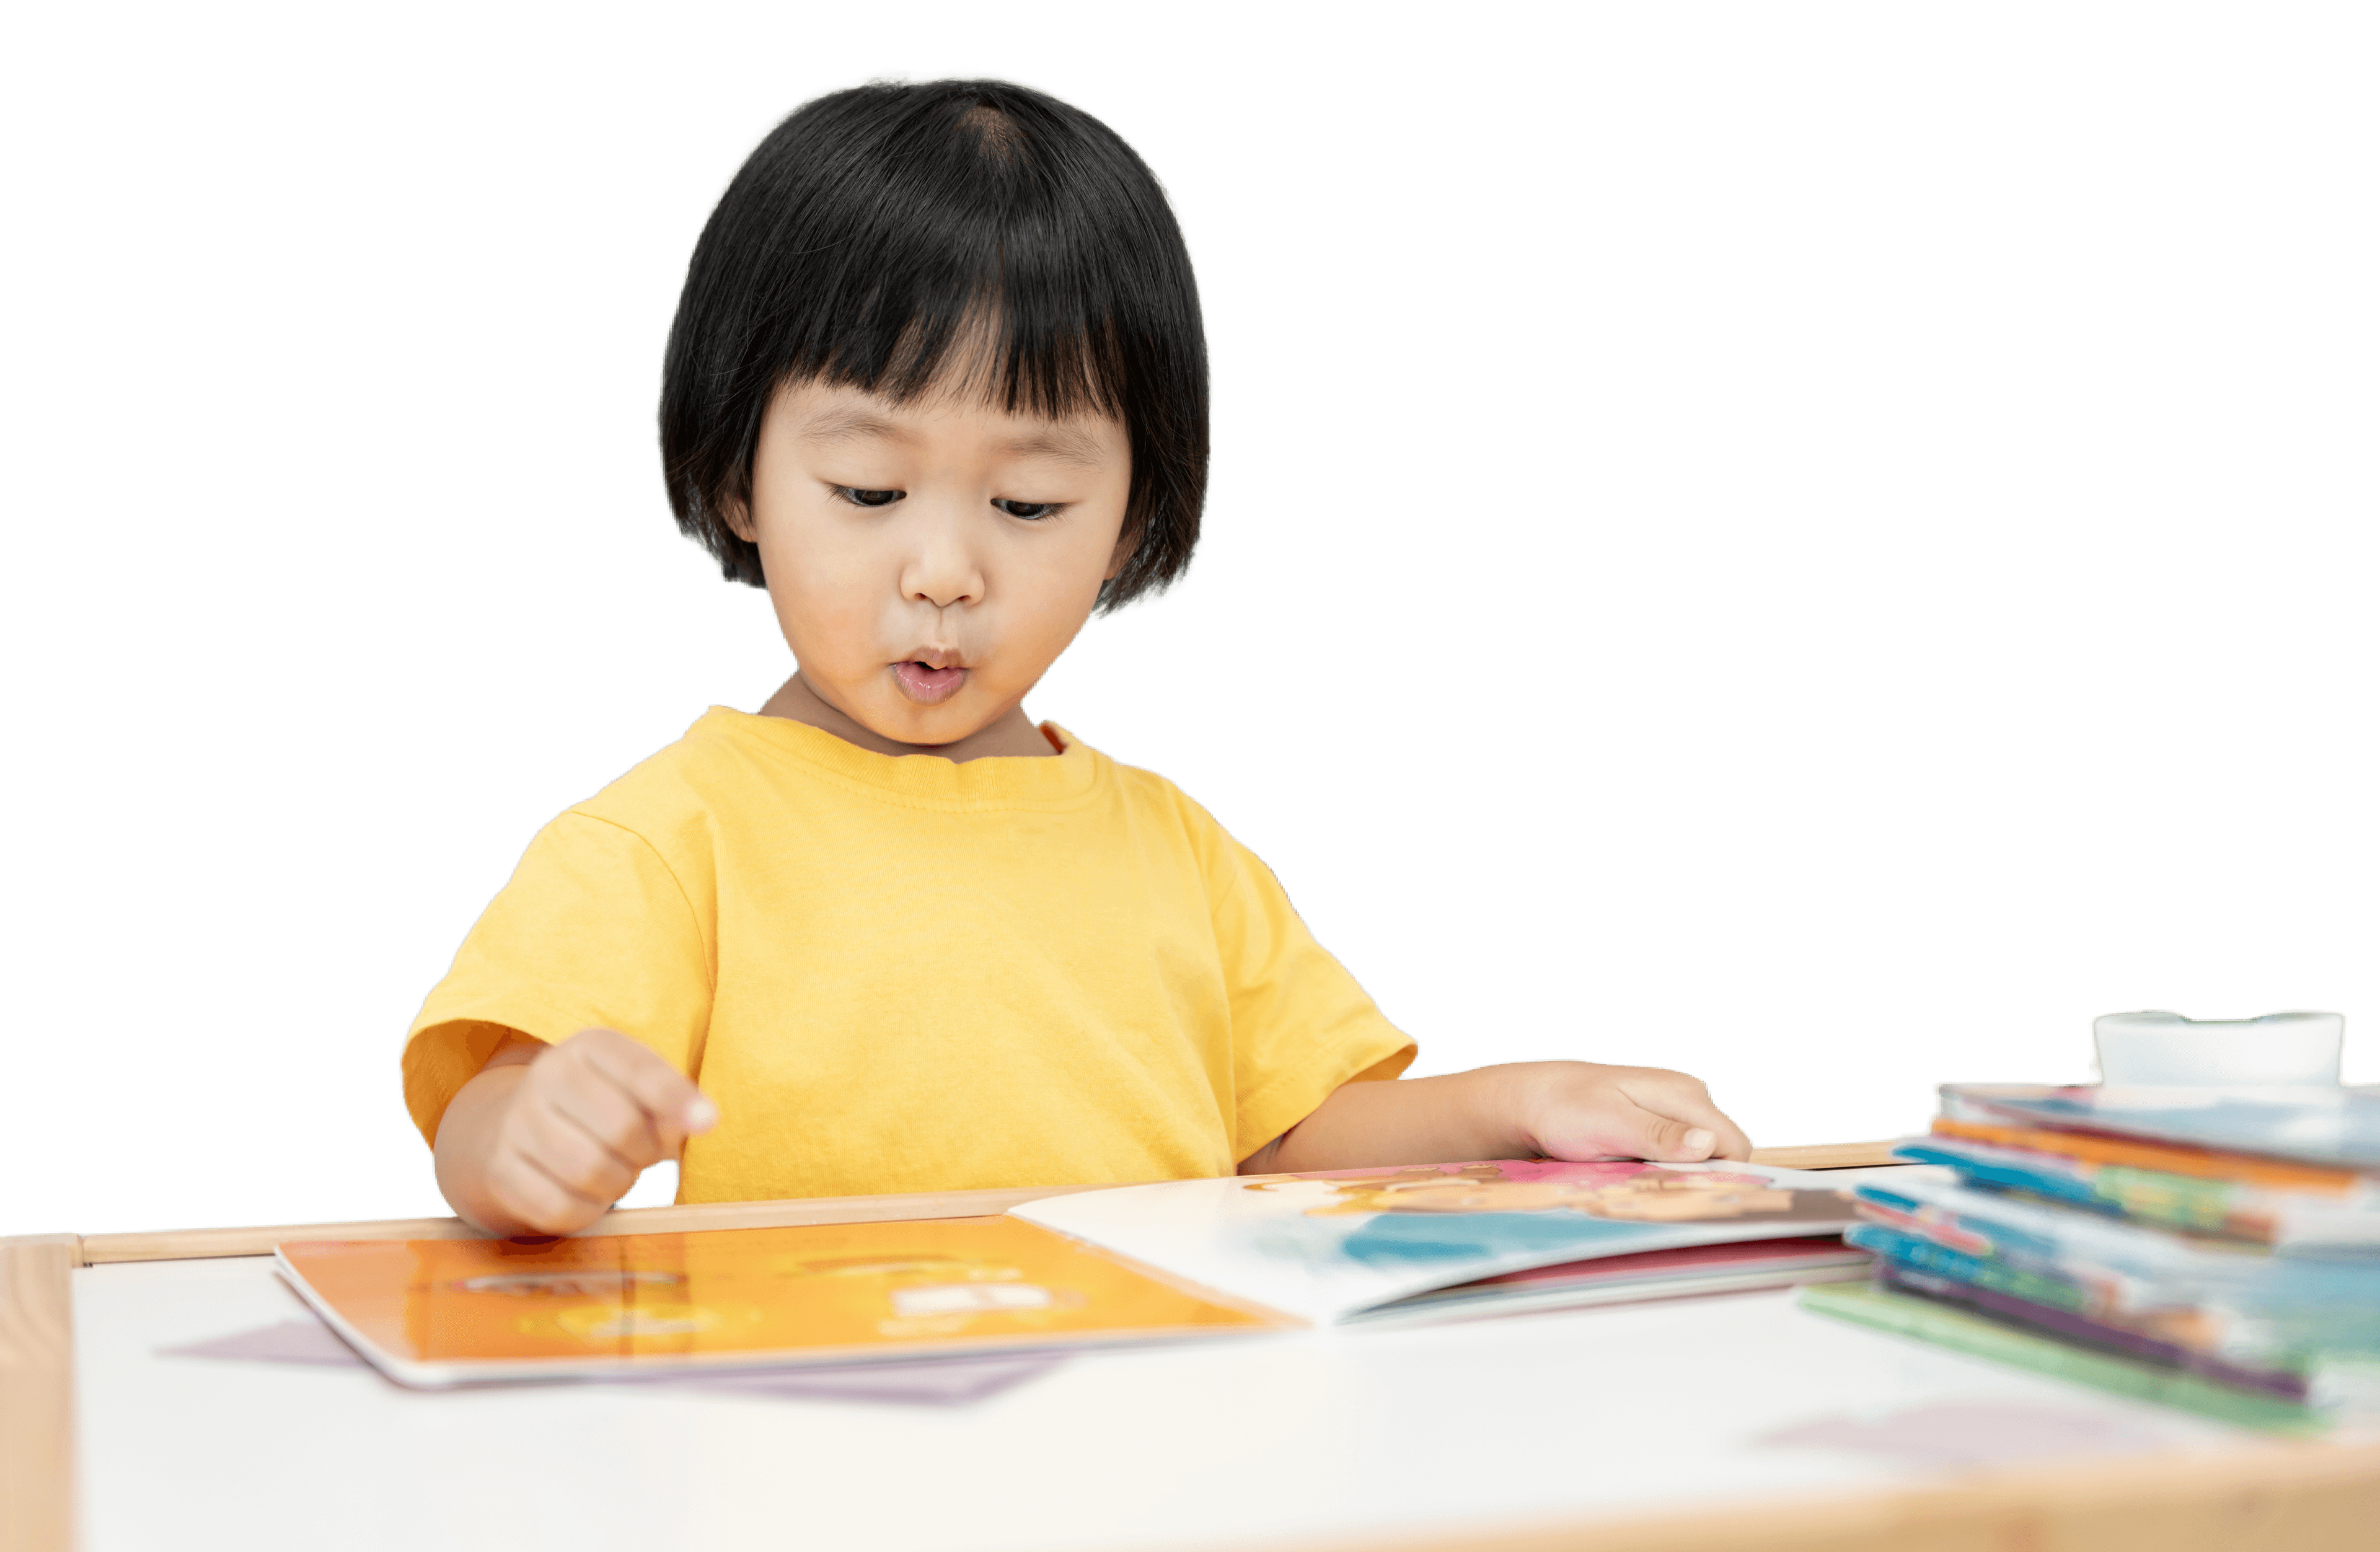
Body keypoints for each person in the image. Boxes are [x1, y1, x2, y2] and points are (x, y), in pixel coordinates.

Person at [405, 69, 1755, 1239]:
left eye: (1031, 504)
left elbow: (1287, 1141)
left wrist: (1516, 1103)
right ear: (741, 474)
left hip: (1162, 1448)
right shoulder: (672, 839)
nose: (945, 570)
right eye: (869, 490)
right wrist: (528, 1137)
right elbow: (480, 1120)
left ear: (1133, 516)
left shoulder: (1174, 847)